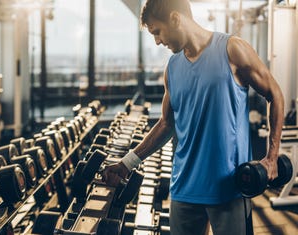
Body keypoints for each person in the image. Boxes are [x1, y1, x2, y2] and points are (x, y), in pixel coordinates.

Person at [102, 0, 284, 234]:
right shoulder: (172, 67)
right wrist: (127, 164)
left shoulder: (232, 49)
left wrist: (272, 156)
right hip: (184, 189)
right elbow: (166, 124)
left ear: (176, 19)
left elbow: (275, 94)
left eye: (157, 32)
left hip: (228, 189)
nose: (157, 41)